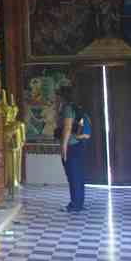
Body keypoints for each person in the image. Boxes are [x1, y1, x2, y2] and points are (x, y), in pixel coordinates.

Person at [57, 84, 89, 212]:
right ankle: (79, 203)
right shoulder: (77, 107)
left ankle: (75, 205)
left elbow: (67, 128)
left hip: (72, 145)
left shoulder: (68, 108)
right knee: (78, 174)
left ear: (62, 96)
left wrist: (63, 146)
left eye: (58, 95)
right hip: (79, 144)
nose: (56, 98)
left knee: (73, 175)